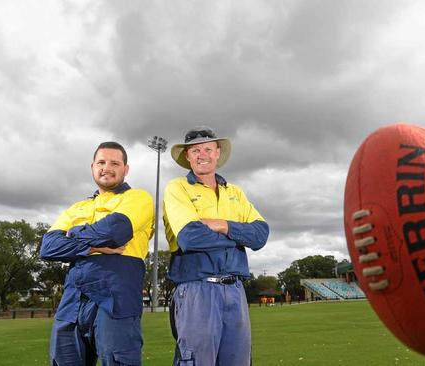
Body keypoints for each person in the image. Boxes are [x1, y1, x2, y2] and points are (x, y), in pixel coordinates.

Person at [40, 141, 154, 366]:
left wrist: (72, 234)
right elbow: (48, 247)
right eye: (101, 162)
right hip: (72, 300)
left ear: (126, 169)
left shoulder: (138, 198)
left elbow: (115, 232)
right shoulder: (76, 207)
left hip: (115, 298)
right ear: (93, 166)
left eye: (114, 163)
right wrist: (91, 247)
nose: (107, 168)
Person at [163, 126, 269, 366]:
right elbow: (190, 238)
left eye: (208, 149)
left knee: (239, 361)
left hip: (235, 289)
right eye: (196, 150)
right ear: (188, 156)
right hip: (196, 288)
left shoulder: (235, 192)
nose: (202, 154)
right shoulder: (177, 188)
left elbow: (261, 234)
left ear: (217, 153)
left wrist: (221, 225)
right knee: (196, 361)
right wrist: (239, 237)